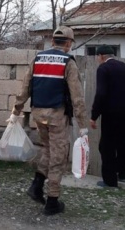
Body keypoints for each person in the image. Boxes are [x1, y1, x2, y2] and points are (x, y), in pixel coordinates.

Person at [10, 26, 89, 216]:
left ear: (52, 41)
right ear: (68, 44)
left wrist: (15, 111)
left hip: (38, 114)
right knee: (58, 155)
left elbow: (25, 88)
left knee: (47, 148)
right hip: (57, 115)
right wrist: (83, 125)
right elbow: (77, 97)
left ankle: (37, 185)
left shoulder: (37, 59)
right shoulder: (68, 62)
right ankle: (52, 200)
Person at [90, 45, 125, 188]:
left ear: (101, 56)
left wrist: (94, 115)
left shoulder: (103, 69)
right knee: (123, 143)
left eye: (97, 56)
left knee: (106, 146)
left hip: (112, 113)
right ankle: (121, 174)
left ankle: (110, 181)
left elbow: (101, 94)